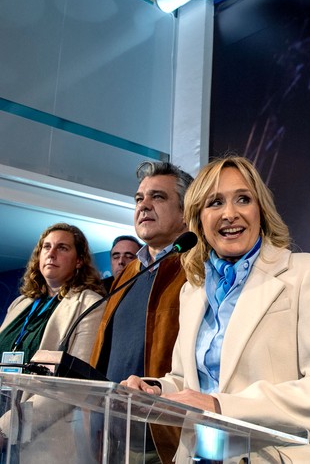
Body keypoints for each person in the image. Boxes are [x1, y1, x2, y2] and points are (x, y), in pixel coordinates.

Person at [122, 156, 310, 463]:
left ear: (260, 210)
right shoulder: (192, 291)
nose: (230, 214)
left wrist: (221, 406)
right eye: (215, 203)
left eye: (243, 199)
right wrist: (155, 390)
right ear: (198, 219)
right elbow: (186, 382)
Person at [89, 160, 193, 462]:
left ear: (186, 212)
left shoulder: (197, 268)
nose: (144, 205)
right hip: (111, 432)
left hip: (162, 438)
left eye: (158, 197)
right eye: (139, 198)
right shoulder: (127, 272)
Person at [0, 223, 105, 461]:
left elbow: (71, 385)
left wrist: (5, 429)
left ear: (79, 261)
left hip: (47, 438)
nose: (51, 253)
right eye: (46, 247)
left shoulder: (90, 304)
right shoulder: (20, 304)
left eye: (62, 248)